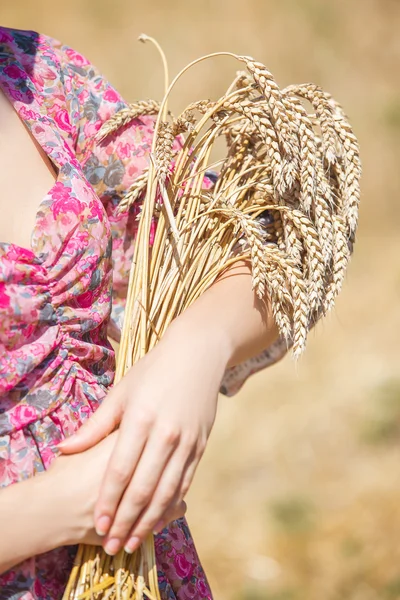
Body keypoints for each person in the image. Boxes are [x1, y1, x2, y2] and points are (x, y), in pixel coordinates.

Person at [0, 25, 286, 600]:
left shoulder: (38, 76)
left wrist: (200, 344)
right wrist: (59, 508)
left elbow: (267, 242)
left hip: (139, 570)